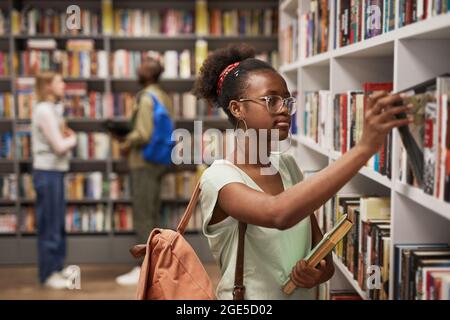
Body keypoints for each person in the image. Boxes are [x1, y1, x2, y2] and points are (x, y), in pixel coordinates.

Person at [192, 44, 413, 300]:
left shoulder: (287, 165)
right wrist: (363, 149)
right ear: (237, 108)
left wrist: (318, 271)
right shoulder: (218, 179)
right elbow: (277, 213)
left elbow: (322, 256)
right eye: (271, 100)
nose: (285, 109)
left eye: (287, 100)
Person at [115, 57, 173, 286]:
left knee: (143, 216)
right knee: (153, 214)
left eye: (141, 67)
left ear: (148, 74)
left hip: (144, 162)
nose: (137, 70)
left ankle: (144, 269)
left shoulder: (146, 97)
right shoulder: (164, 96)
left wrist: (124, 142)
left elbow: (143, 133)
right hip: (159, 161)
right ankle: (155, 267)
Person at [32, 71, 77, 289]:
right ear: (48, 86)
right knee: (49, 223)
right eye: (60, 81)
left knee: (57, 223)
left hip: (55, 172)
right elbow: (60, 145)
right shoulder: (43, 110)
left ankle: (57, 268)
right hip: (47, 172)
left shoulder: (52, 109)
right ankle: (49, 272)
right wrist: (74, 139)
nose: (64, 85)